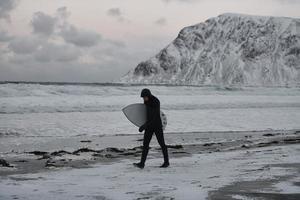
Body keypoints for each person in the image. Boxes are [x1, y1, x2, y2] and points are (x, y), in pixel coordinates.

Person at [133, 88, 169, 169]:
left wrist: (144, 126)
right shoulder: (146, 101)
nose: (144, 99)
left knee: (162, 144)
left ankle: (166, 162)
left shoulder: (156, 101)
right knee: (145, 145)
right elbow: (146, 115)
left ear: (148, 95)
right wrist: (142, 124)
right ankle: (142, 163)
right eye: (143, 97)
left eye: (145, 97)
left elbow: (154, 116)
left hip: (157, 126)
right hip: (149, 126)